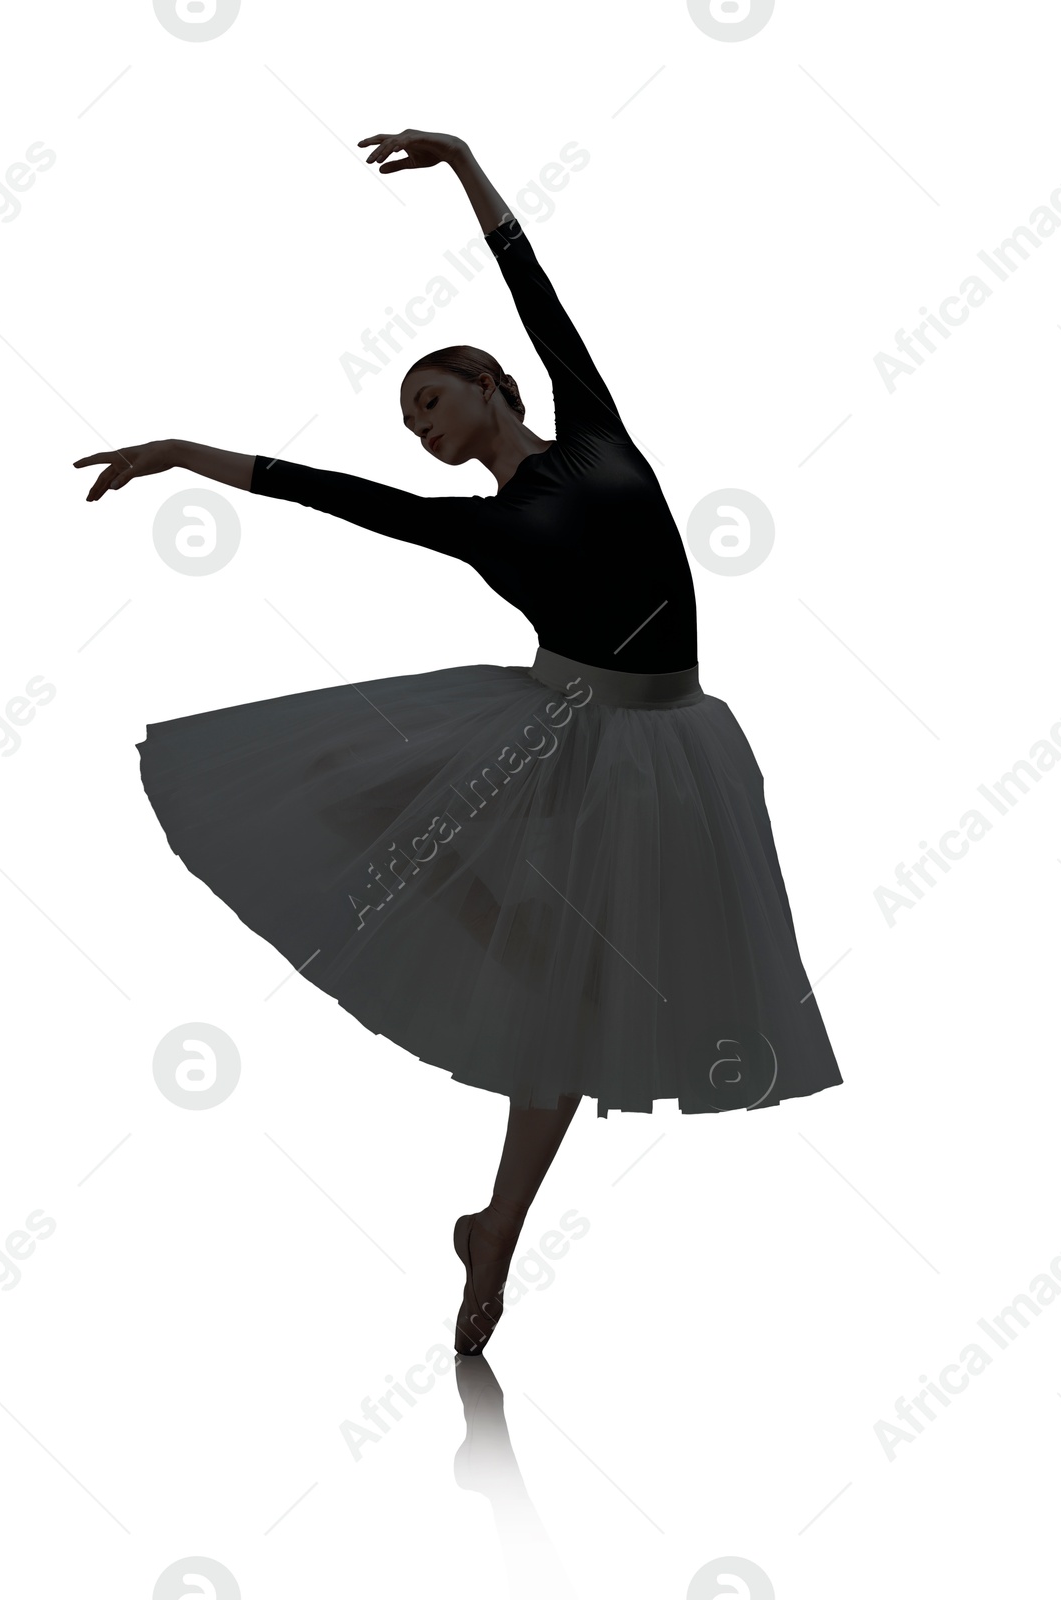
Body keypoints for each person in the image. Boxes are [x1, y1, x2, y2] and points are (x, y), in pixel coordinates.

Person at [75, 130, 844, 1355]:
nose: (422, 429)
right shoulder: (474, 531)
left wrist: (465, 166)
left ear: (495, 387)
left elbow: (532, 287)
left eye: (432, 401)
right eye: (410, 422)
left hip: (663, 747)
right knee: (369, 819)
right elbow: (319, 488)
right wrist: (182, 455)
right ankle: (506, 972)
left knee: (577, 1007)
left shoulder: (595, 431)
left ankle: (496, 1230)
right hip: (564, 728)